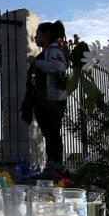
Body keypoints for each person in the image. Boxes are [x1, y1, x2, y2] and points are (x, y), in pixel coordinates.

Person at [26, 21, 69, 171]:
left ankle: (55, 166)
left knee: (52, 134)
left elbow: (58, 67)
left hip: (52, 100)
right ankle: (53, 165)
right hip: (46, 99)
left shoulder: (53, 50)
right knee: (50, 134)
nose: (35, 37)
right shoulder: (49, 50)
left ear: (47, 35)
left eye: (38, 33)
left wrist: (35, 62)